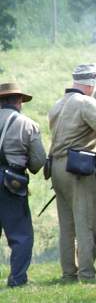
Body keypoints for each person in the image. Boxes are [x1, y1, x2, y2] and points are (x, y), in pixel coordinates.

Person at [48, 64, 96, 281]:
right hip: (78, 168)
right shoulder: (85, 103)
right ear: (92, 83)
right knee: (90, 224)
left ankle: (69, 273)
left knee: (67, 225)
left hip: (57, 168)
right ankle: (87, 274)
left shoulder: (57, 105)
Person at [0, 83, 46, 287]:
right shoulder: (27, 124)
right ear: (18, 101)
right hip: (11, 182)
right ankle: (17, 279)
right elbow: (38, 160)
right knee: (20, 235)